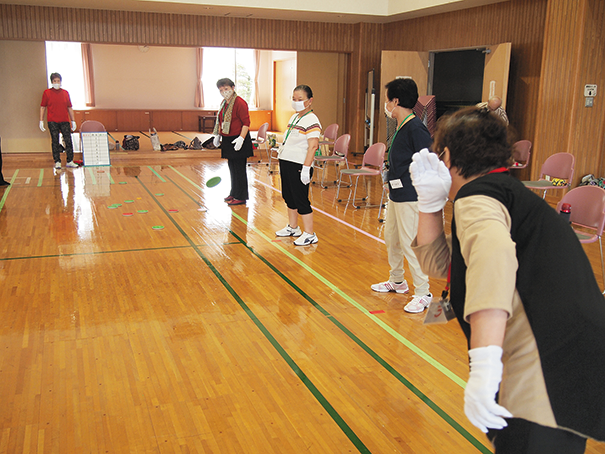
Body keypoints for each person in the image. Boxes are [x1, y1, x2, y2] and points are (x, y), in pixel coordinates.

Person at [410, 107, 605, 453]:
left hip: (545, 367)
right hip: (569, 357)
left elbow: (492, 262)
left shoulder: (477, 200)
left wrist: (484, 367)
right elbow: (445, 266)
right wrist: (428, 203)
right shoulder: (504, 194)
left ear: (449, 156)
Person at [371, 78, 432, 313]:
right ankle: (397, 280)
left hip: (411, 195)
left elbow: (429, 160)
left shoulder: (416, 128)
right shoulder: (401, 126)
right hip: (396, 193)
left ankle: (423, 292)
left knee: (410, 243)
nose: (387, 106)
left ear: (396, 101)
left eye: (388, 100)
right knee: (392, 238)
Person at [274, 85, 321, 246]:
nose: (296, 102)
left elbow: (313, 145)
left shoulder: (312, 120)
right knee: (288, 196)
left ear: (310, 101)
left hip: (299, 165)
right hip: (286, 161)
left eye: (300, 99)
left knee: (301, 199)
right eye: (294, 99)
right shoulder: (294, 118)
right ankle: (293, 227)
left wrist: (306, 168)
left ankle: (309, 233)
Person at [211, 78, 254, 206]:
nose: (224, 92)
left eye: (226, 89)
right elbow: (221, 120)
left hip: (239, 138)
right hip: (228, 139)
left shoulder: (240, 103)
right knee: (232, 168)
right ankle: (234, 192)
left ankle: (241, 196)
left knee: (239, 169)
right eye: (221, 90)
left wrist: (241, 138)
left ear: (233, 88)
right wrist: (218, 135)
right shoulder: (224, 104)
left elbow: (246, 123)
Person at [40, 72, 78, 169]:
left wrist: (73, 120)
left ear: (61, 82)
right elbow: (43, 107)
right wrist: (41, 121)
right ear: (52, 82)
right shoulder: (47, 93)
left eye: (58, 81)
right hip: (52, 121)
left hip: (64, 120)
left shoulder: (65, 93)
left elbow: (69, 107)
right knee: (55, 141)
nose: (57, 83)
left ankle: (70, 160)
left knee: (68, 140)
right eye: (54, 81)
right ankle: (57, 161)